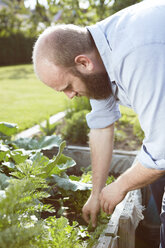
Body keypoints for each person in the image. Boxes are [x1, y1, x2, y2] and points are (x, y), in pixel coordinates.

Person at [32, 0, 165, 246]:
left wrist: (120, 186)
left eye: (68, 87)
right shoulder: (100, 52)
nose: (70, 96)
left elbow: (161, 152)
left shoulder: (138, 53)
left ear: (83, 63)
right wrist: (96, 193)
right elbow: (101, 124)